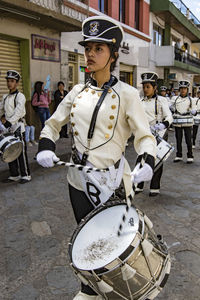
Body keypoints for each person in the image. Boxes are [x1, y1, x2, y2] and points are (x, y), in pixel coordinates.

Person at [36, 16, 157, 300]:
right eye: (88, 48)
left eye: (98, 49)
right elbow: (52, 124)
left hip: (112, 181)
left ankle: (119, 289)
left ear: (113, 55)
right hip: (78, 181)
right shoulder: (76, 92)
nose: (90, 54)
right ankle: (90, 288)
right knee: (88, 239)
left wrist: (147, 161)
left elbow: (144, 136)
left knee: (115, 243)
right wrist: (45, 145)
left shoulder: (127, 94)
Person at [135, 72, 173, 197]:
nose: (145, 90)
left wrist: (163, 125)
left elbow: (169, 116)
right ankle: (138, 184)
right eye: (144, 87)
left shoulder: (162, 100)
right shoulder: (139, 101)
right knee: (141, 158)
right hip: (144, 134)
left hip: (159, 135)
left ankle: (155, 187)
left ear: (155, 87)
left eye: (148, 87)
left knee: (157, 161)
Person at [0, 70, 31, 183]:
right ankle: (14, 174)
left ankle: (26, 175)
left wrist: (9, 122)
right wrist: (2, 119)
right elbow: (1, 110)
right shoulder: (5, 97)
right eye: (8, 81)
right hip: (7, 128)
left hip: (18, 127)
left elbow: (18, 112)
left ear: (17, 83)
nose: (9, 83)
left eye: (12, 81)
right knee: (9, 151)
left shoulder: (20, 96)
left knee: (21, 152)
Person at [170, 80, 197, 163]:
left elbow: (195, 111)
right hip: (178, 122)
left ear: (187, 90)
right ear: (179, 89)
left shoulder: (191, 100)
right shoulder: (175, 99)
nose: (183, 90)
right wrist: (171, 108)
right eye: (181, 88)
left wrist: (193, 111)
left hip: (187, 122)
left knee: (188, 140)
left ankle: (190, 156)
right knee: (178, 140)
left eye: (184, 89)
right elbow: (172, 109)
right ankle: (179, 155)